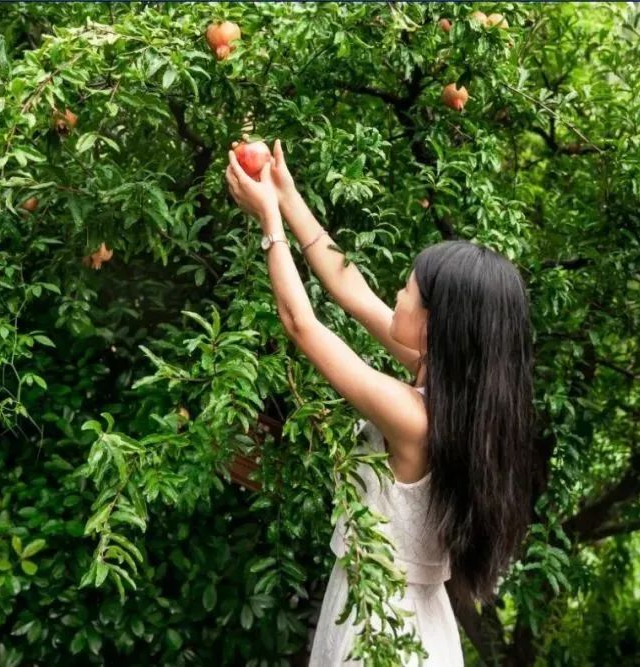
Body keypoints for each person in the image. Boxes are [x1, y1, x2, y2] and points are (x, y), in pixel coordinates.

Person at [225, 140, 536, 666]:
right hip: (412, 617)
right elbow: (349, 287)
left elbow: (302, 324)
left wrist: (269, 223)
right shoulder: (450, 388)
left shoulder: (413, 417)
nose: (395, 294)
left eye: (407, 290)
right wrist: (288, 193)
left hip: (383, 626)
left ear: (438, 322)